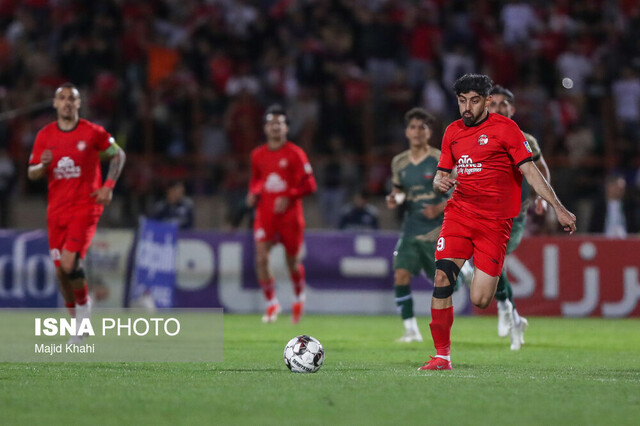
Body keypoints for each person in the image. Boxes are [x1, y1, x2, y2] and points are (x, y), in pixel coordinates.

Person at [420, 74, 576, 371]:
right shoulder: (452, 131)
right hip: (459, 214)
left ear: (487, 101)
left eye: (474, 101)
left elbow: (531, 172)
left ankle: (507, 310)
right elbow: (442, 175)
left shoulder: (506, 129)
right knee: (442, 278)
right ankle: (442, 356)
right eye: (462, 101)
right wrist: (440, 183)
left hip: (495, 223)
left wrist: (558, 207)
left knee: (480, 299)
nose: (467, 107)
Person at [28, 83, 126, 343]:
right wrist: (42, 166)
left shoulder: (92, 132)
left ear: (79, 103)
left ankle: (83, 312)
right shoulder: (45, 135)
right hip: (56, 211)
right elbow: (31, 172)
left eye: (72, 98)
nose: (67, 102)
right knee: (61, 272)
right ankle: (78, 323)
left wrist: (108, 186)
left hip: (85, 207)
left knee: (69, 263)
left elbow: (118, 154)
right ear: (55, 103)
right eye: (62, 98)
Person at [488, 85, 551, 350]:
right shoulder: (477, 137)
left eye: (503, 104)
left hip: (514, 216)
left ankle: (507, 308)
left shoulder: (525, 140)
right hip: (483, 214)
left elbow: (541, 168)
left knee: (493, 260)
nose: (498, 108)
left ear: (512, 109)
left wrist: (542, 198)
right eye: (493, 103)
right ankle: (510, 311)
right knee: (486, 264)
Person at [246, 104, 317, 324]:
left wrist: (289, 196)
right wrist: (253, 192)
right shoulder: (257, 154)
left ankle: (298, 297)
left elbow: (310, 185)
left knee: (292, 263)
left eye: (279, 123)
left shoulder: (295, 154)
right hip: (265, 214)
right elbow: (257, 179)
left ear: (286, 128)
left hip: (290, 217)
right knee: (261, 257)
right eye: (271, 123)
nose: (275, 127)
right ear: (265, 128)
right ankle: (271, 303)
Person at [386, 108, 451, 343]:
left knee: (445, 283)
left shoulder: (440, 159)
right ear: (406, 132)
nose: (417, 131)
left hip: (437, 229)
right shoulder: (399, 162)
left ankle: (464, 271)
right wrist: (395, 199)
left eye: (422, 127)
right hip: (411, 227)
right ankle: (411, 329)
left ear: (429, 132)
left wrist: (438, 208)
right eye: (412, 127)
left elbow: (458, 192)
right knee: (401, 274)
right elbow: (399, 191)